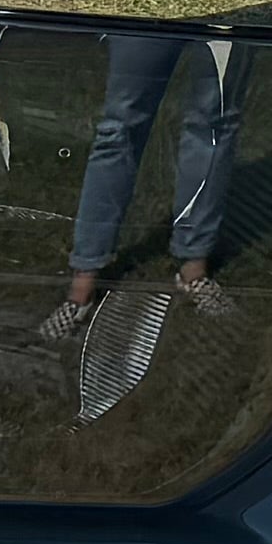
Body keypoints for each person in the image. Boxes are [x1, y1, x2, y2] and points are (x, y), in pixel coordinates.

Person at [45, 28, 243, 336]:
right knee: (118, 130)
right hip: (150, 14)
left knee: (215, 123)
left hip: (230, 7)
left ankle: (194, 268)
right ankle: (82, 285)